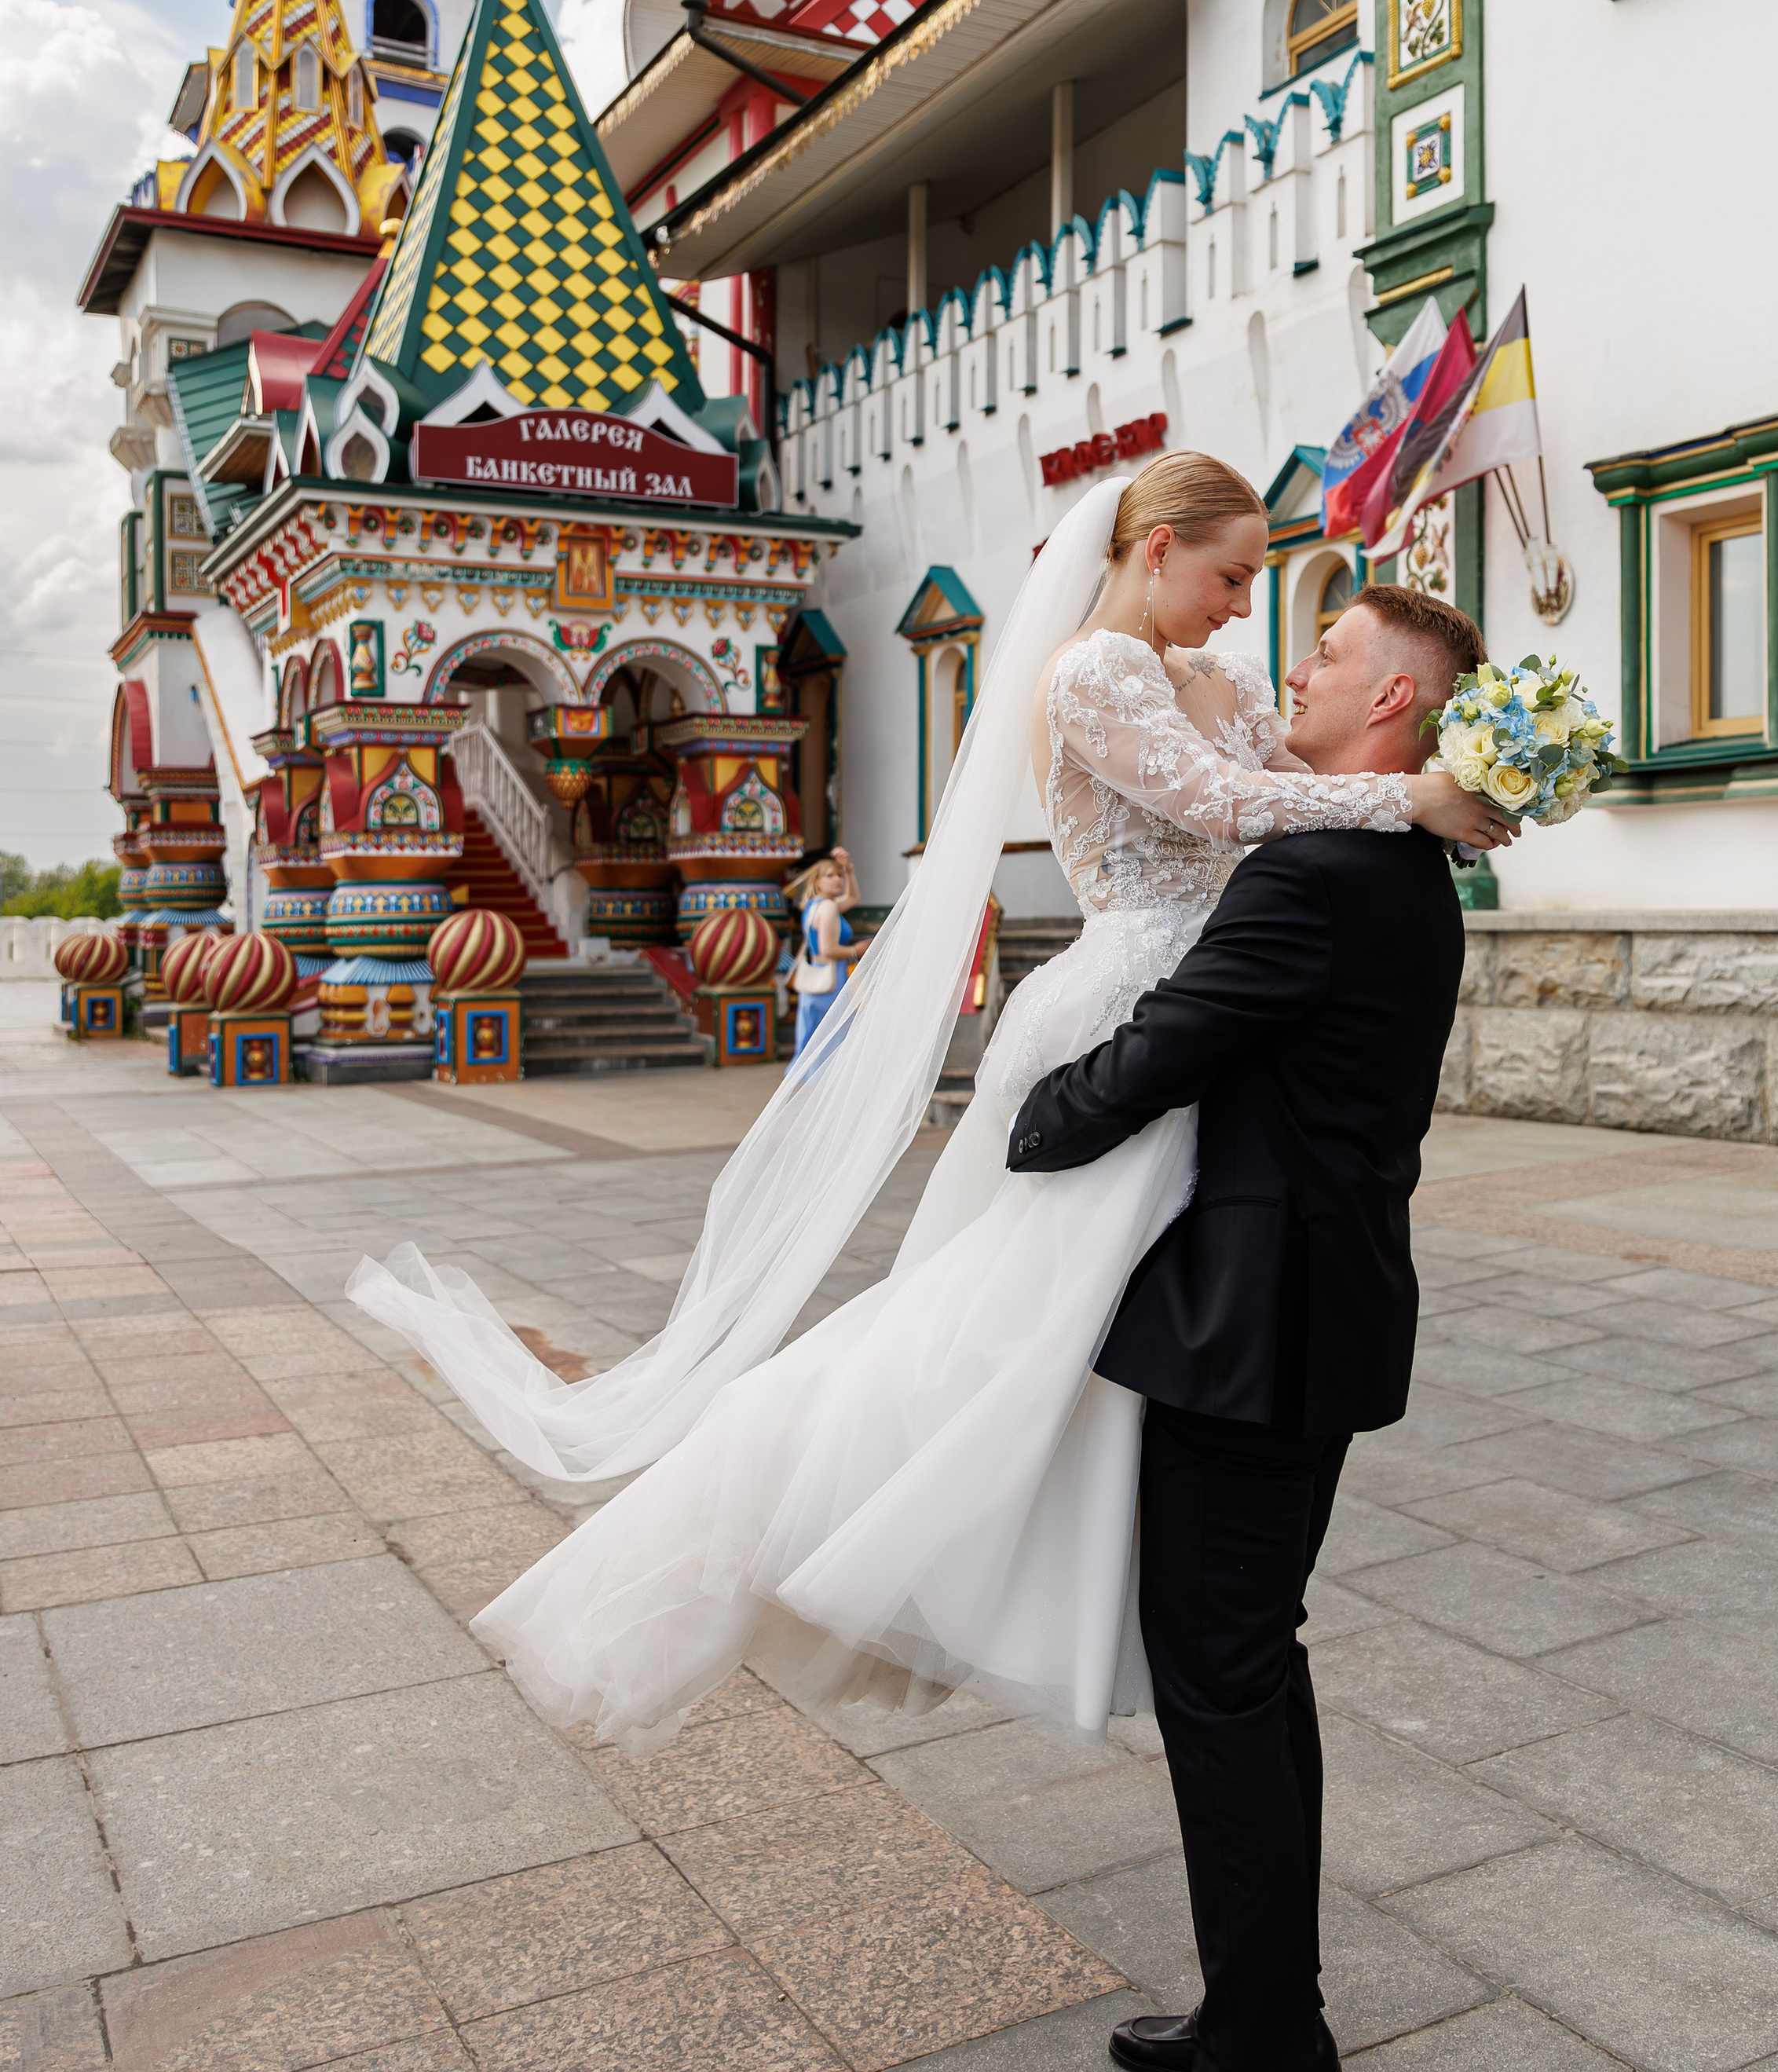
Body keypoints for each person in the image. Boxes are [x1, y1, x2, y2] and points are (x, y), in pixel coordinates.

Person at [348, 458, 1510, 1750]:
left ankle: (1093, 1558)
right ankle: (848, 1526)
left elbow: (1296, 785)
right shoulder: (1093, 672)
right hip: (1127, 1000)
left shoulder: (1228, 681)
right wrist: (1415, 796)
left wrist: (1444, 780)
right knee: (999, 1312)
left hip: (1220, 1004)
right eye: (1232, 574)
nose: (1248, 608)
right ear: (1159, 548)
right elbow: (1225, 805)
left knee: (1111, 1305)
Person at [1006, 584, 1483, 2072]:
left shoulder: (1313, 871)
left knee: (1221, 1687)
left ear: (1394, 703)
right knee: (1254, 1670)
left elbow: (1169, 1049)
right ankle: (1272, 2023)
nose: (1298, 664)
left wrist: (1029, 1117)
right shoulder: (1397, 865)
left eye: (1331, 653)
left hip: (1250, 1328)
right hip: (1314, 1310)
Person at [786, 849, 860, 1053]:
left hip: (816, 976)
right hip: (831, 976)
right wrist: (856, 950)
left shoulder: (813, 905)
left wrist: (849, 870)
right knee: (830, 1041)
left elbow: (853, 898)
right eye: (830, 876)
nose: (837, 880)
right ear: (817, 882)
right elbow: (828, 950)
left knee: (812, 1040)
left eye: (839, 875)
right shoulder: (828, 907)